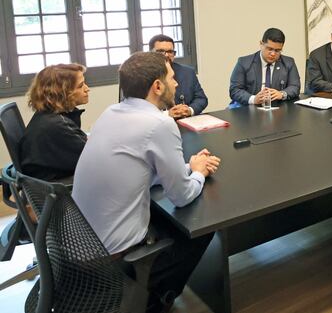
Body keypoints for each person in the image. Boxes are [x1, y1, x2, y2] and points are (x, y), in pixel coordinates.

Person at [72, 52, 221, 313]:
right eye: (172, 78)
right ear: (157, 86)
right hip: (113, 253)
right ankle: (156, 300)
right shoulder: (159, 123)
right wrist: (199, 173)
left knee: (162, 209)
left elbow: (137, 167)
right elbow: (182, 195)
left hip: (80, 240)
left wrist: (188, 166)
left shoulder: (110, 113)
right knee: (202, 226)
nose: (176, 84)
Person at [18, 64, 89, 181]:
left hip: (45, 179)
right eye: (81, 86)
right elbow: (95, 158)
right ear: (62, 93)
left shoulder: (48, 115)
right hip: (54, 187)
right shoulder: (58, 125)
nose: (87, 89)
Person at [229, 28, 301, 107]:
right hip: (250, 109)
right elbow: (235, 90)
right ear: (261, 44)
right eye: (269, 49)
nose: (273, 54)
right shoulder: (244, 62)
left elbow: (295, 86)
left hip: (277, 110)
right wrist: (253, 99)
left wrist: (282, 94)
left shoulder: (288, 62)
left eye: (277, 50)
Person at [149, 34, 208, 118]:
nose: (166, 55)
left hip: (185, 121)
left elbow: (201, 99)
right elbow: (137, 110)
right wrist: (166, 114)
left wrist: (189, 110)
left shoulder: (187, 72)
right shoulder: (142, 75)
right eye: (161, 51)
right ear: (151, 53)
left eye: (170, 52)